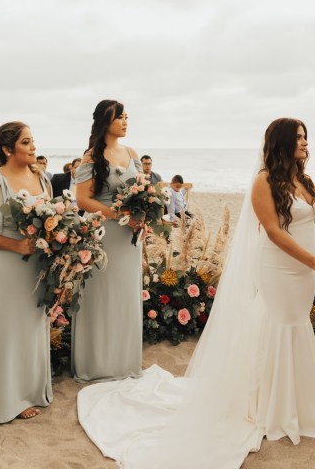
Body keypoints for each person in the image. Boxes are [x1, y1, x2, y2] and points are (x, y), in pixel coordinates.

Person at [77, 117, 315, 468]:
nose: (305, 142)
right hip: (283, 267)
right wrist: (312, 260)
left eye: (306, 137)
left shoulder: (304, 179)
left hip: (304, 271)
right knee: (280, 323)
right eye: (298, 137)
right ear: (281, 142)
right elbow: (273, 232)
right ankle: (273, 406)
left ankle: (298, 399)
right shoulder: (264, 181)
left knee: (296, 324)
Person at [0, 121, 53, 423]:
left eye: (33, 141)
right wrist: (16, 247)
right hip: (7, 267)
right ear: (7, 149)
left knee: (32, 328)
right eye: (26, 142)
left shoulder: (41, 179)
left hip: (37, 266)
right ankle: (7, 399)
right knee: (8, 331)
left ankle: (32, 390)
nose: (33, 147)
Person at [73, 100, 143, 382]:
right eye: (120, 117)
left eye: (127, 117)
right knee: (101, 297)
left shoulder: (132, 153)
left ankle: (124, 362)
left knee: (125, 296)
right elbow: (82, 199)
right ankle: (98, 364)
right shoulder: (92, 156)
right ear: (106, 121)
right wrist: (120, 214)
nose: (126, 122)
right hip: (104, 234)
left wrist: (143, 214)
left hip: (129, 238)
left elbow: (142, 191)